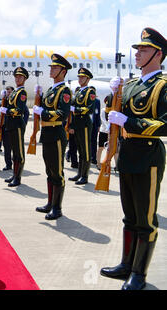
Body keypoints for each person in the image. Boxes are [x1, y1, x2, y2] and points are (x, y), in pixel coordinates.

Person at [100, 27, 167, 290]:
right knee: (129, 216)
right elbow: (114, 115)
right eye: (137, 49)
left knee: (145, 219)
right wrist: (113, 96)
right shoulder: (131, 85)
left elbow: (164, 125)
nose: (138, 53)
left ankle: (139, 273)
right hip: (126, 157)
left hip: (147, 157)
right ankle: (126, 265)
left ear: (158, 54)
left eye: (144, 49)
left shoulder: (162, 87)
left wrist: (132, 122)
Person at [33, 54, 72, 220]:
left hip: (56, 134)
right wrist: (40, 98)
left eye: (55, 68)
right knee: (49, 171)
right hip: (47, 134)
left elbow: (62, 114)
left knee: (57, 172)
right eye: (51, 67)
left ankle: (57, 207)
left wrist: (43, 113)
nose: (51, 69)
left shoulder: (65, 91)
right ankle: (50, 203)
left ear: (63, 71)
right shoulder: (51, 90)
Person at [0, 67, 29, 187]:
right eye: (16, 77)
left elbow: (19, 110)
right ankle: (14, 174)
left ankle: (18, 177)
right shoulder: (15, 92)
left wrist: (7, 111)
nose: (18, 79)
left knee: (19, 152)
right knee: (14, 152)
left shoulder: (22, 92)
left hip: (17, 125)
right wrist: (5, 99)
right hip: (11, 125)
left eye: (20, 77)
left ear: (24, 79)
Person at [68, 68, 96, 185]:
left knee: (85, 151)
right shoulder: (78, 91)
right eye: (79, 77)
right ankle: (79, 173)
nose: (80, 79)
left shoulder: (90, 92)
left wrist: (76, 109)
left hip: (84, 123)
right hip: (77, 124)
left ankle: (85, 176)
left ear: (88, 79)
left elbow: (90, 109)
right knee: (79, 149)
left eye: (82, 77)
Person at [1, 85, 15, 171]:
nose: (8, 93)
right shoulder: (4, 101)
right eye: (6, 92)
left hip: (14, 127)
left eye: (9, 92)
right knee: (7, 148)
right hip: (5, 128)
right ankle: (8, 164)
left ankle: (17, 164)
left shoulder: (16, 100)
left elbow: (26, 112)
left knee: (15, 148)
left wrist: (23, 124)